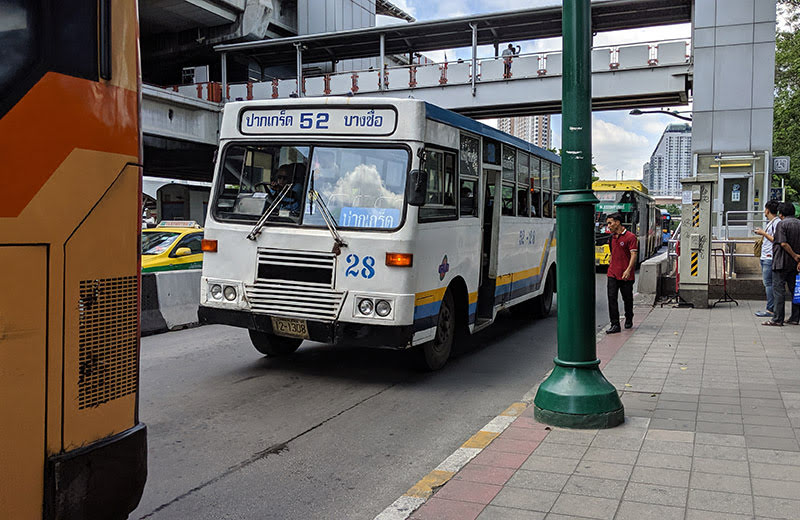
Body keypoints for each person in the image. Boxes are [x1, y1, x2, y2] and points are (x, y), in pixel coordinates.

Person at [764, 202, 800, 326]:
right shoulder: (799, 223)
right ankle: (795, 318)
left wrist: (794, 255)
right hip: (795, 264)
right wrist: (797, 258)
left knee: (779, 291)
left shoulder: (781, 224)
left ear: (781, 213)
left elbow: (783, 243)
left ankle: (777, 318)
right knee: (794, 290)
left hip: (781, 262)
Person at [605, 212, 638, 334]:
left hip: (626, 275)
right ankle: (615, 324)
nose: (608, 226)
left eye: (610, 223)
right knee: (611, 298)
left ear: (617, 222)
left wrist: (628, 270)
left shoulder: (631, 237)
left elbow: (633, 254)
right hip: (612, 273)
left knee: (627, 299)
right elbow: (613, 253)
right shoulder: (611, 238)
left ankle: (629, 317)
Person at [754, 200, 781, 317]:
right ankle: (771, 307)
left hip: (770, 257)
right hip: (766, 256)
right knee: (769, 283)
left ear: (768, 210)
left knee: (769, 283)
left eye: (765, 209)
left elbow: (776, 239)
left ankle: (771, 309)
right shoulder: (772, 222)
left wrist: (763, 233)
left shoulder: (776, 223)